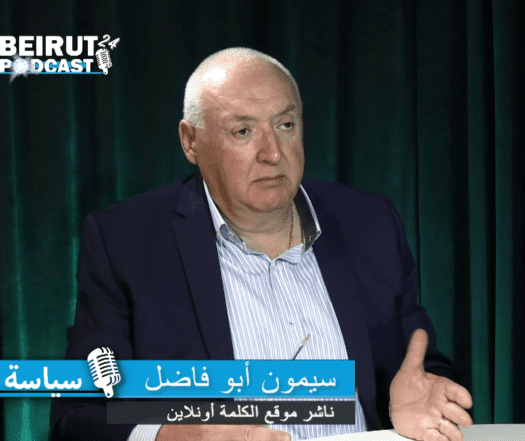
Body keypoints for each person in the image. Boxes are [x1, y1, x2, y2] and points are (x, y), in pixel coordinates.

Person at [50, 47, 473, 441]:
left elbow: (420, 371)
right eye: (243, 131)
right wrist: (172, 434)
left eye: (286, 125)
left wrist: (431, 398)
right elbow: (78, 414)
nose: (272, 153)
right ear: (191, 141)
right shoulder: (126, 242)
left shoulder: (370, 223)